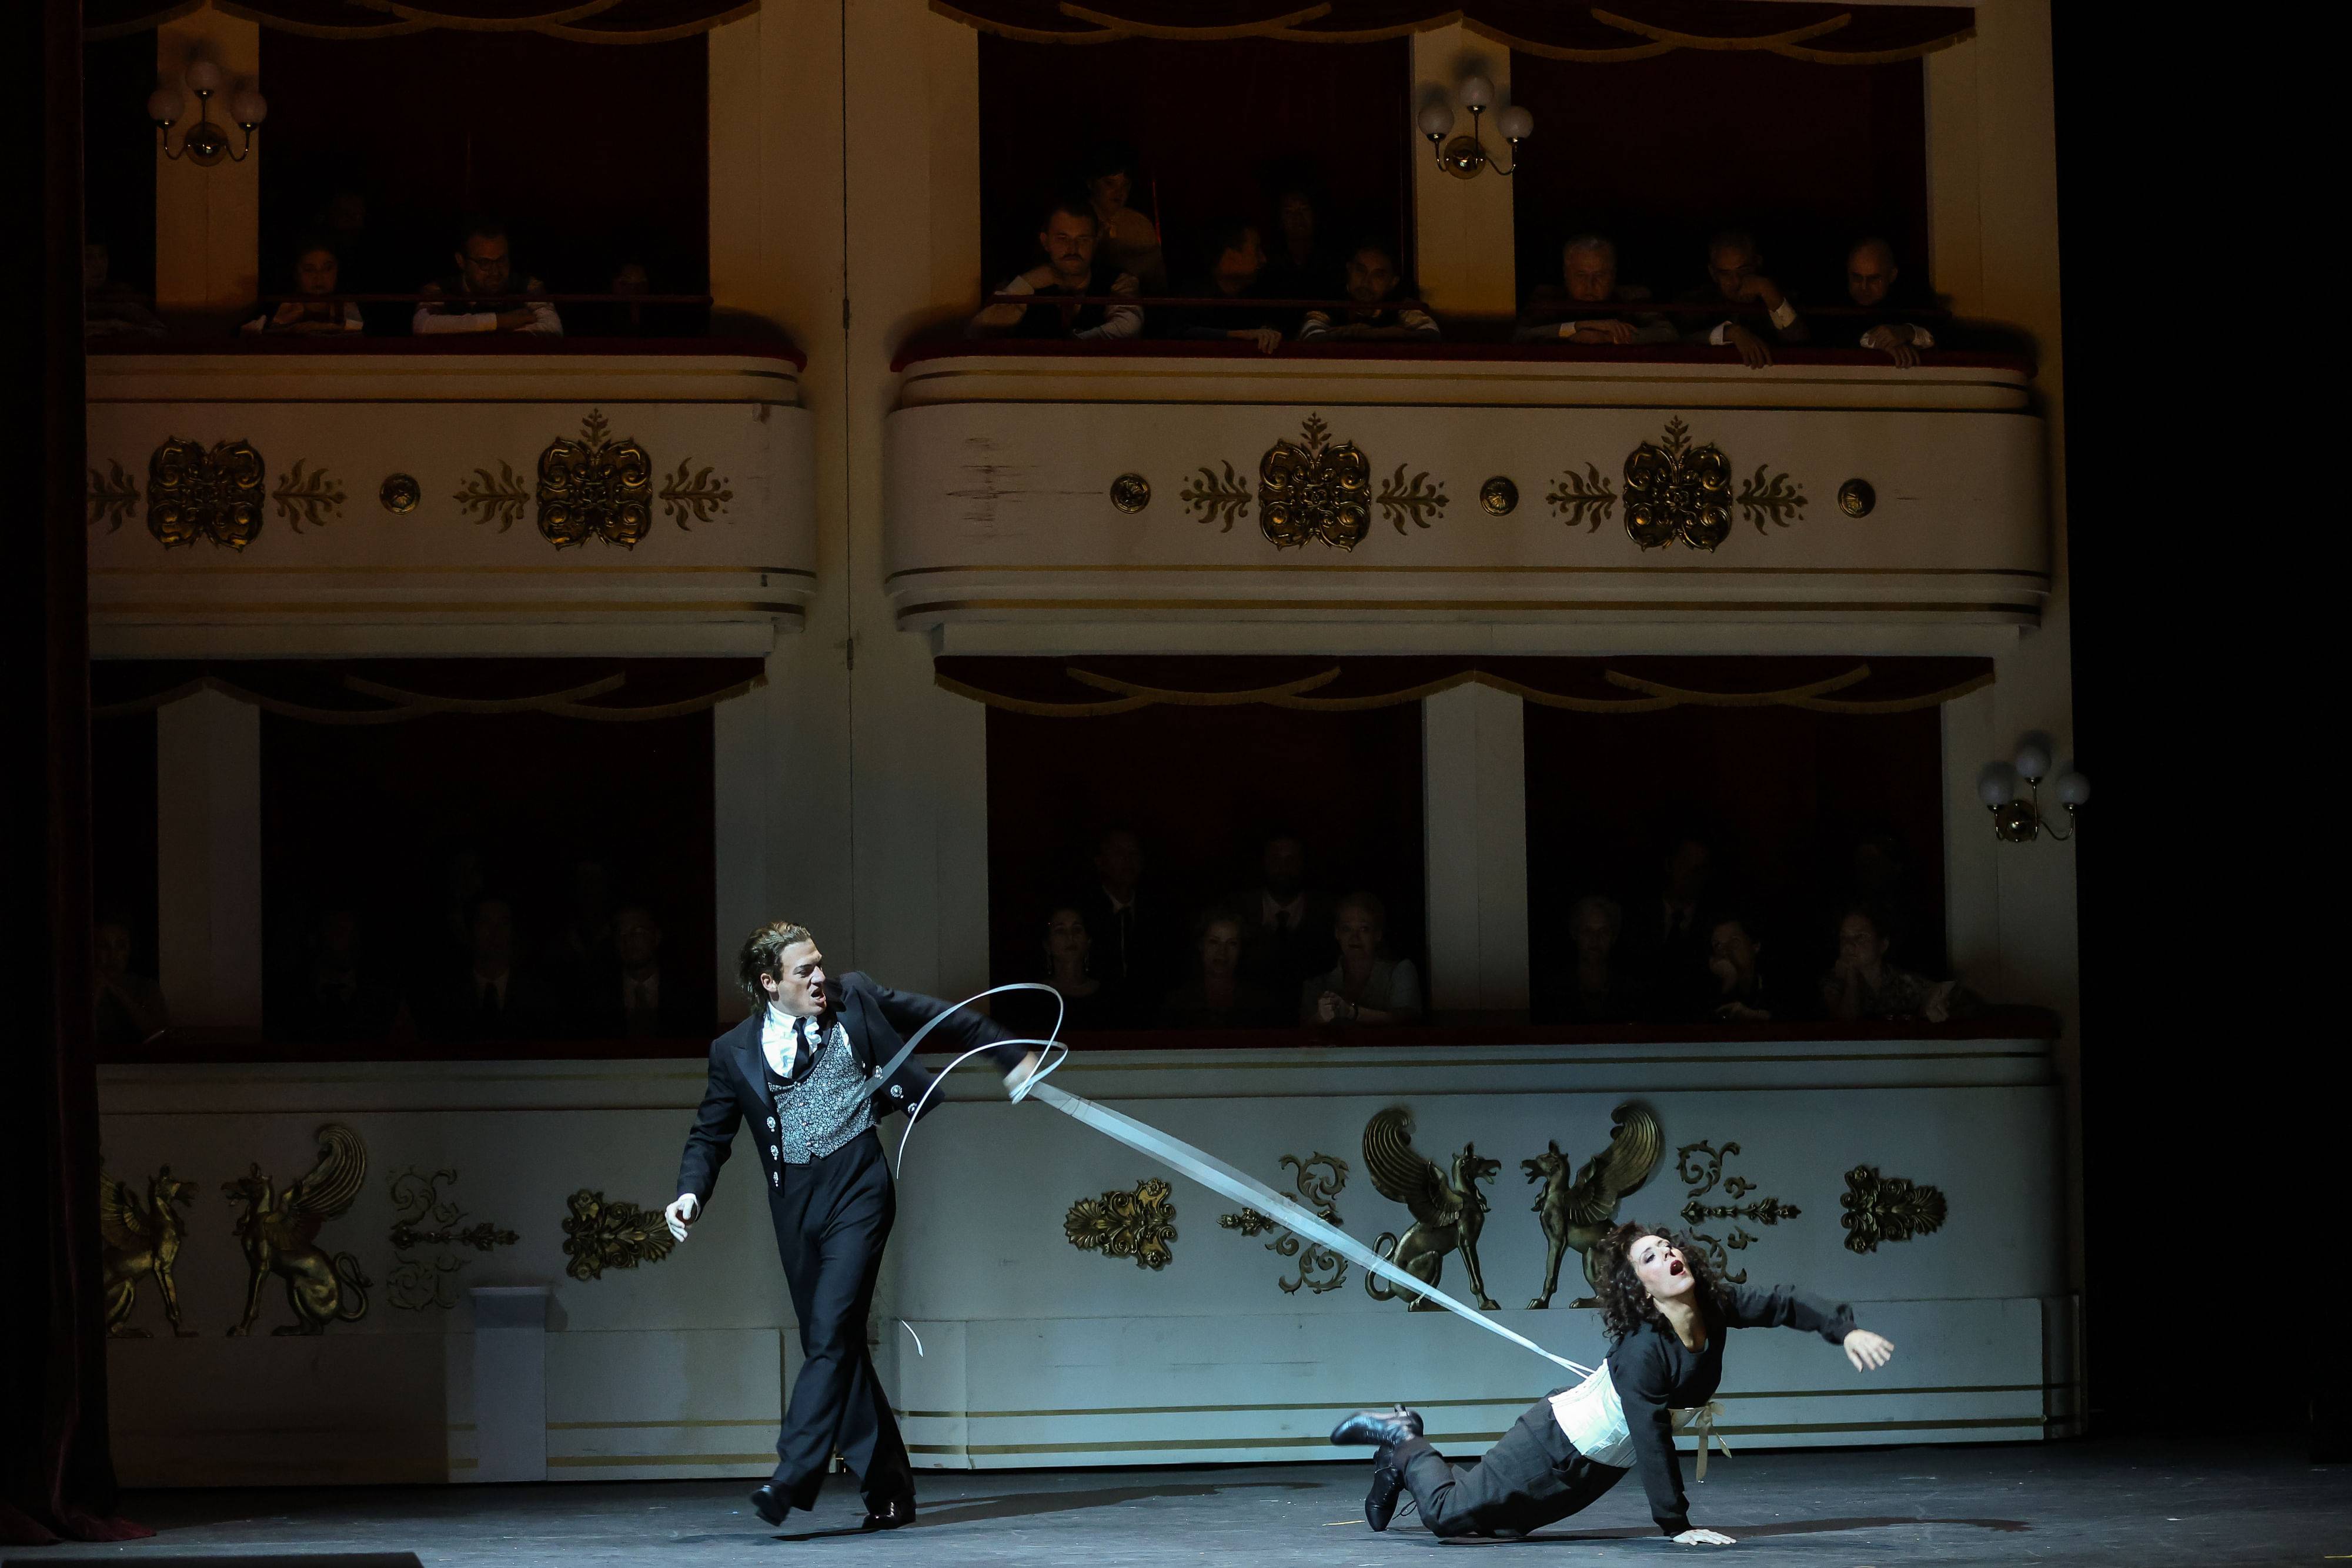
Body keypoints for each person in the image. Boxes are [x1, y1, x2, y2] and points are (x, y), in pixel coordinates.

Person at [664, 921, 1038, 1530]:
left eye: (819, 963)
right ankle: (889, 1491)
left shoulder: (855, 997)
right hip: (796, 1208)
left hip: (859, 1187)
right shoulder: (732, 1051)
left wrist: (1008, 1054)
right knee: (832, 1346)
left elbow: (940, 1016)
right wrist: (689, 1193)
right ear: (768, 984)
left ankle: (792, 1476)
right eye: (803, 970)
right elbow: (711, 1133)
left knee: (833, 1328)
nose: (820, 977)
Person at [1331, 1221, 1896, 1542]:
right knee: (1449, 1517)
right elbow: (1652, 1436)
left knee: (1502, 1533)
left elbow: (1784, 1302)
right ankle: (1404, 1439)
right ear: (1641, 1286)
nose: (1670, 1253)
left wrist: (1842, 1331)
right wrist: (1677, 1527)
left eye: (1669, 1245)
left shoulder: (1715, 1304)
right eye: (1651, 1255)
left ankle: (1402, 1465)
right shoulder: (1643, 1352)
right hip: (1552, 1445)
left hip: (1598, 1465)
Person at [967, 198, 1142, 342]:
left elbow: (1129, 325)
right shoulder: (1017, 282)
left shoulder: (1118, 281)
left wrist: (1074, 343)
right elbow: (978, 335)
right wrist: (1027, 283)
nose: (1073, 248)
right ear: (1045, 242)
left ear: (1095, 242)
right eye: (1062, 238)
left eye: (1083, 239)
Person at [1074, 826, 1174, 1024]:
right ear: (1100, 861)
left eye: (1134, 854)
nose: (1128, 861)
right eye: (1119, 853)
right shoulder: (1083, 916)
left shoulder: (1160, 914)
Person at [1820, 905, 1979, 1023]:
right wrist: (1851, 977)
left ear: (1882, 945)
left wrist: (1937, 1008)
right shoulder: (1834, 982)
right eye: (1844, 938)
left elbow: (1958, 1000)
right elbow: (1845, 1025)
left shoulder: (1904, 982)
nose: (1848, 946)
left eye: (1860, 937)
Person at [1512, 235, 1676, 346]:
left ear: (1613, 275)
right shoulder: (1547, 297)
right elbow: (1520, 335)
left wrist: (1606, 337)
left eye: (1600, 275)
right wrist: (1578, 327)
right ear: (1566, 274)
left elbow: (1668, 334)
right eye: (1581, 275)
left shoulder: (1633, 297)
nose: (1590, 284)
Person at [1678, 229, 1806, 369]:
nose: (1736, 282)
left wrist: (1768, 291)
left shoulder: (1782, 294)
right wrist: (1730, 333)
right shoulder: (1698, 301)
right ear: (1713, 273)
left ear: (1757, 263)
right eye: (1726, 274)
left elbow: (1803, 346)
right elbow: (1679, 339)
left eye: (1744, 271)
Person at [412, 219, 562, 336]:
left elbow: (553, 327)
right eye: (484, 263)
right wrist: (501, 321)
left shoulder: (528, 286)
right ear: (461, 261)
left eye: (501, 260)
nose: (495, 271)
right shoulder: (440, 289)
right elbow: (423, 325)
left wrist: (478, 334)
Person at [1618, 835, 1715, 1017]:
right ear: (1669, 865)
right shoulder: (1634, 919)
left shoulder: (1716, 926)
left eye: (1699, 869)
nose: (1690, 874)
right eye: (1685, 864)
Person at [1230, 834, 1338, 997]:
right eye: (1275, 858)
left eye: (1291, 859)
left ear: (1303, 863)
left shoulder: (1330, 912)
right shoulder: (1236, 910)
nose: (1283, 867)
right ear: (1264, 862)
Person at [1165, 219, 1287, 355]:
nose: (1264, 259)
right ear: (1229, 256)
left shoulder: (1261, 292)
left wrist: (1269, 331)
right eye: (1257, 250)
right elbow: (1176, 333)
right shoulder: (1193, 296)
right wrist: (1240, 335)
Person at [1300, 891, 1421, 1027]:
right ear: (1337, 933)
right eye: (1347, 929)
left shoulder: (1399, 972)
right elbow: (1301, 1033)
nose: (1355, 938)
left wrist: (1352, 1012)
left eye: (1364, 929)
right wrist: (1320, 1018)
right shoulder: (1318, 984)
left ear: (1378, 935)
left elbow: (1407, 1020)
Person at [999, 905, 1115, 1038]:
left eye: (1077, 930)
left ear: (1088, 941)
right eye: (1061, 931)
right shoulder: (1032, 1000)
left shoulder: (1108, 997)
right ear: (1047, 945)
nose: (1070, 937)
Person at [1155, 908, 1282, 1028]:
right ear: (1201, 945)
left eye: (1232, 943)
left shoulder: (1260, 1004)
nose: (1222, 952)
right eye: (1214, 942)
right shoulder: (1177, 1004)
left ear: (1241, 949)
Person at [596, 904, 703, 1039]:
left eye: (638, 932)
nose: (629, 940)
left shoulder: (689, 993)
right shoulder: (597, 995)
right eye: (621, 933)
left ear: (656, 937)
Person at [1298, 240, 1439, 342]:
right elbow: (1311, 335)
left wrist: (1373, 334)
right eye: (1360, 271)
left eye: (1378, 276)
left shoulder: (1400, 304)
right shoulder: (1329, 301)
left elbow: (1431, 333)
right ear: (1349, 269)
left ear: (1392, 282)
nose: (1366, 282)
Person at [1081, 143, 1167, 296]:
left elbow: (1157, 283)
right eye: (1110, 183)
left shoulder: (1140, 224)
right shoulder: (1071, 220)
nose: (1119, 192)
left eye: (1125, 185)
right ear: (1091, 183)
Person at [1844, 237, 1936, 368]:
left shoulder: (1912, 299)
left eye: (1874, 279)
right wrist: (1883, 342)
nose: (1864, 287)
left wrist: (1906, 332)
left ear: (1892, 276)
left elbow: (1939, 333)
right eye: (1856, 278)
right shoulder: (1835, 302)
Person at [245, 238, 363, 336]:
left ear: (337, 271)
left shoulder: (352, 305)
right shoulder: (273, 307)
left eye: (327, 269)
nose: (319, 277)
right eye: (309, 270)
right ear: (296, 274)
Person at [1261, 178, 1343, 303]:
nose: (1298, 217)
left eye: (1304, 209)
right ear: (1280, 220)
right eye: (1289, 212)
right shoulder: (1268, 261)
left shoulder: (1333, 259)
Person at [92, 918, 170, 1049]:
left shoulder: (146, 988)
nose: (113, 955)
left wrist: (117, 991)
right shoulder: (77, 989)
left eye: (120, 946)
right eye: (104, 946)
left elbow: (158, 1033)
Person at [1701, 912, 1790, 1023]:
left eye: (1734, 942)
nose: (1725, 951)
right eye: (1718, 945)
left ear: (1755, 946)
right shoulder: (1704, 988)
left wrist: (1757, 1017)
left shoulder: (1779, 985)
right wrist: (1729, 982)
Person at [1561, 893, 1638, 1023]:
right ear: (1575, 933)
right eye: (1587, 932)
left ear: (1614, 937)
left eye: (1604, 932)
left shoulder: (1631, 990)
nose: (1595, 940)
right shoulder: (1555, 990)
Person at [82, 243, 166, 340]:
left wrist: (120, 329)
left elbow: (160, 332)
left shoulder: (125, 300)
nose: (98, 264)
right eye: (88, 257)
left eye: (102, 256)